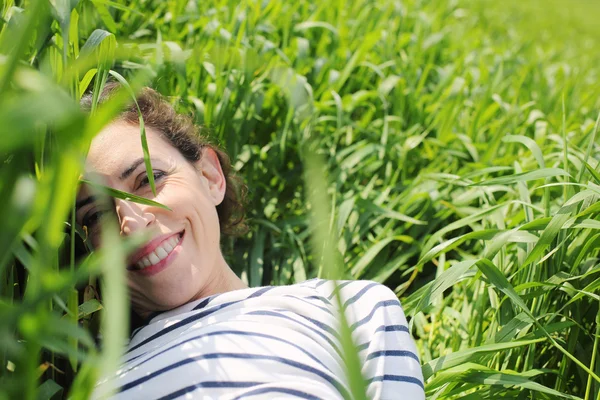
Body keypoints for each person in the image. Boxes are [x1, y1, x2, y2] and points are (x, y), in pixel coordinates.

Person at [77, 83, 425, 399]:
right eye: (95, 215)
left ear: (210, 177)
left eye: (148, 179)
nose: (133, 226)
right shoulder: (88, 376)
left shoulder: (351, 309)